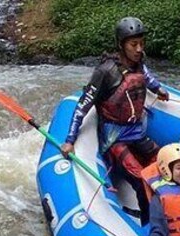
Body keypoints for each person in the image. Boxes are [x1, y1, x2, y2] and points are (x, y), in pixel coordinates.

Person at [59, 16, 169, 224]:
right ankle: (148, 226)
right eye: (133, 44)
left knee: (166, 164)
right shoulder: (106, 72)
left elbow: (146, 76)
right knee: (140, 180)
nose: (139, 49)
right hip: (115, 139)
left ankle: (168, 212)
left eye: (141, 44)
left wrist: (158, 89)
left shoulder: (139, 63)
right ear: (121, 45)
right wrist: (70, 140)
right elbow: (83, 105)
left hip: (137, 132)